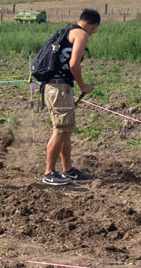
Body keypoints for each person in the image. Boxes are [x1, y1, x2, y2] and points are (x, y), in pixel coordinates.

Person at [41, 9, 100, 187]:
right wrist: (83, 86)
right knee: (59, 130)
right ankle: (49, 173)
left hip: (58, 86)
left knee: (66, 129)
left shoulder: (67, 31)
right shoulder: (82, 34)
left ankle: (68, 170)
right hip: (59, 87)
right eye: (94, 29)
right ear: (94, 26)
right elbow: (73, 63)